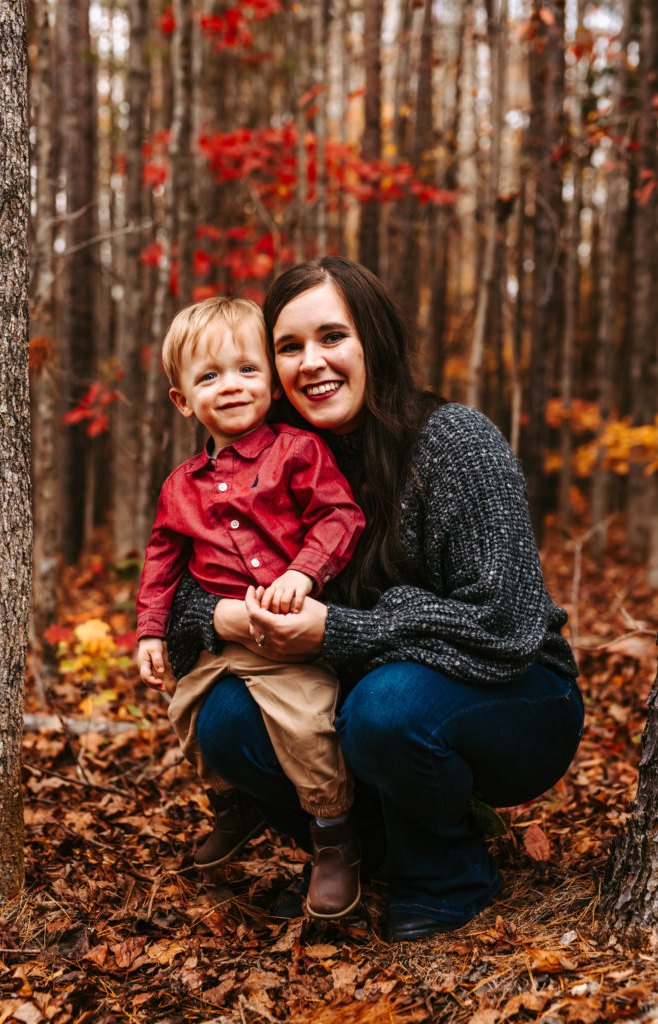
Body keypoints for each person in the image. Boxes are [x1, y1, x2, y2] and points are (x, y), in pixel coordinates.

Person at [165, 257, 584, 942]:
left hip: (514, 699)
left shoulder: (453, 441)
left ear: (374, 341)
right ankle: (367, 856)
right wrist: (221, 614)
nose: (311, 363)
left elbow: (504, 623)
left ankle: (449, 873)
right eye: (288, 346)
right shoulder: (259, 459)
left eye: (333, 336)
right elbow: (181, 590)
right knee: (228, 718)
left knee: (385, 705)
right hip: (367, 699)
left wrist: (338, 631)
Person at [135, 296, 366, 919]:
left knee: (308, 727)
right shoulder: (180, 486)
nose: (230, 387)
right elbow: (162, 561)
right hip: (217, 643)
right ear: (183, 399)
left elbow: (340, 516)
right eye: (208, 377)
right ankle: (232, 807)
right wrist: (151, 632)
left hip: (284, 637)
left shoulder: (297, 452)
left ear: (270, 378)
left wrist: (303, 573)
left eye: (246, 369)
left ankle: (334, 842)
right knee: (186, 714)